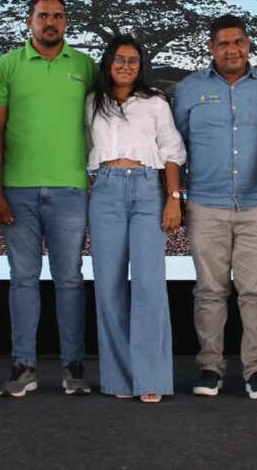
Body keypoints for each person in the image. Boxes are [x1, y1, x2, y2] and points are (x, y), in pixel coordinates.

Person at [0, 0, 97, 397]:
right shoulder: (7, 65)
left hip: (71, 189)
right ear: (29, 21)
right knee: (23, 280)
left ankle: (73, 366)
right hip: (17, 191)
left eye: (59, 16)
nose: (51, 22)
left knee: (70, 280)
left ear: (66, 22)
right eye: (44, 15)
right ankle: (24, 366)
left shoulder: (85, 65)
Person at [172, 14, 257, 400]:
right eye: (223, 43)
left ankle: (256, 370)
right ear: (210, 47)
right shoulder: (189, 89)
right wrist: (175, 197)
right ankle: (210, 367)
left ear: (248, 43)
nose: (232, 49)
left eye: (238, 42)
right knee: (209, 291)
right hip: (205, 205)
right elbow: (175, 148)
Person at [86, 35, 186, 403]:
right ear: (107, 63)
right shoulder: (92, 101)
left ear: (140, 66)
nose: (126, 66)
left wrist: (173, 199)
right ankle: (118, 379)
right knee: (108, 287)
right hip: (106, 190)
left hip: (148, 189)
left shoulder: (154, 101)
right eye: (119, 59)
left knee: (149, 285)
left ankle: (151, 379)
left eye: (132, 60)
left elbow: (171, 151)